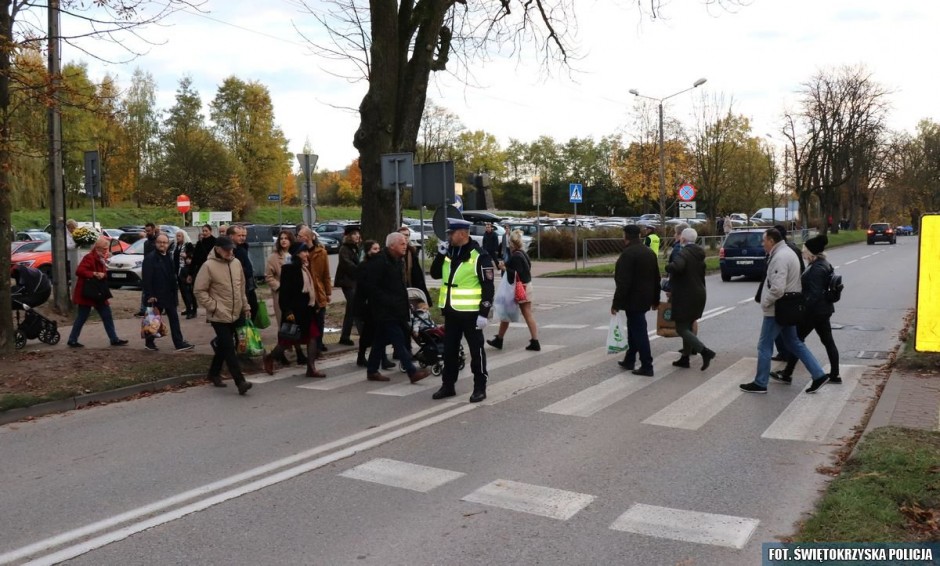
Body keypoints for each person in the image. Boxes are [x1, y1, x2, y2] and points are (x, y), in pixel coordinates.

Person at [739, 228, 829, 395]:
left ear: (772, 241)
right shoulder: (787, 252)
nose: (762, 243)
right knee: (794, 342)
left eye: (764, 240)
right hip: (789, 306)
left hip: (777, 308)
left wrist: (765, 302)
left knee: (764, 346)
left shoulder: (779, 257)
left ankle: (760, 383)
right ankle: (818, 374)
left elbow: (778, 288)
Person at [429, 218, 496, 403]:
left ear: (462, 234)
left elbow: (488, 287)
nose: (449, 237)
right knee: (449, 352)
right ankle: (448, 385)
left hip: (472, 315)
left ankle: (480, 387)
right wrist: (440, 255)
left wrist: (484, 313)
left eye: (451, 233)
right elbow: (435, 273)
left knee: (476, 352)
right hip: (451, 312)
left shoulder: (479, 256)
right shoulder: (449, 252)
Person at [357, 232, 431, 383]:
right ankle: (412, 371)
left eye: (405, 243)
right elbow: (372, 287)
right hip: (384, 310)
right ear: (392, 245)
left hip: (396, 308)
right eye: (402, 243)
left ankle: (372, 370)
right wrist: (388, 301)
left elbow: (399, 286)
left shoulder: (397, 260)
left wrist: (406, 303)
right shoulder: (379, 262)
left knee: (379, 340)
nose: (405, 246)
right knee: (398, 339)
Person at [771, 235, 841, 384]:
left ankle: (787, 373)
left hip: (813, 313)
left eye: (805, 251)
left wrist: (802, 309)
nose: (803, 253)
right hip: (824, 310)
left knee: (797, 341)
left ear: (811, 253)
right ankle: (835, 374)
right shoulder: (824, 264)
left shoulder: (816, 269)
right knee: (827, 342)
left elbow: (814, 295)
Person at [193, 235, 253, 395]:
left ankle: (213, 373)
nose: (229, 251)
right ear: (218, 249)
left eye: (231, 248)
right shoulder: (208, 266)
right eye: (226, 249)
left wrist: (245, 306)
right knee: (228, 347)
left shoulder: (236, 263)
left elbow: (241, 287)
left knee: (228, 345)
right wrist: (214, 306)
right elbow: (199, 290)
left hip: (237, 311)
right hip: (219, 314)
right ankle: (240, 382)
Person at [262, 242, 326, 378]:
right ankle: (270, 357)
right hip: (294, 311)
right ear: (297, 253)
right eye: (304, 252)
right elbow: (285, 293)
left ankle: (311, 368)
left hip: (306, 310)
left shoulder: (305, 268)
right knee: (287, 341)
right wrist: (287, 311)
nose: (307, 255)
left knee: (313, 337)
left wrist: (314, 305)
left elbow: (309, 289)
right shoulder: (289, 269)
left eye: (307, 252)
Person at [610, 225, 660, 376]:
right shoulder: (649, 252)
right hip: (645, 298)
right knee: (633, 329)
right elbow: (656, 277)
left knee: (639, 332)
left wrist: (616, 303)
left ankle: (647, 365)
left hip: (633, 299)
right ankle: (629, 359)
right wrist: (655, 299)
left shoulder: (628, 254)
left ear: (626, 236)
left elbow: (623, 282)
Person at [665, 228, 715, 370]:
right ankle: (685, 358)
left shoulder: (684, 253)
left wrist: (669, 267)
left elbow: (677, 266)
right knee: (687, 326)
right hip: (699, 294)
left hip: (686, 295)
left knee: (681, 328)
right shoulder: (698, 253)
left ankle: (705, 351)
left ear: (682, 239)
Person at [67, 236, 129, 348]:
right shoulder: (89, 257)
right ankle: (72, 339)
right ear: (98, 248)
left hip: (97, 292)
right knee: (82, 317)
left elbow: (103, 273)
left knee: (107, 315)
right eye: (105, 249)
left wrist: (102, 274)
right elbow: (79, 271)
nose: (107, 251)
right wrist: (94, 274)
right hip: (88, 293)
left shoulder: (100, 258)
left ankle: (114, 339)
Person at [486, 229, 539, 351]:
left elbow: (516, 273)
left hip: (520, 289)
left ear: (513, 244)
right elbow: (525, 269)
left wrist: (504, 267)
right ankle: (500, 339)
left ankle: (535, 341)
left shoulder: (516, 256)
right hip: (527, 286)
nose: (509, 246)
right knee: (510, 313)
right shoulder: (523, 254)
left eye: (510, 244)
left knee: (513, 313)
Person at [142, 233, 194, 352]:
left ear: (168, 244)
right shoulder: (150, 258)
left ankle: (179, 343)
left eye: (165, 243)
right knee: (153, 319)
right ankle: (149, 343)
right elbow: (147, 278)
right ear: (156, 243)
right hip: (156, 295)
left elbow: (172, 276)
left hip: (169, 294)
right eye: (160, 242)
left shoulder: (168, 256)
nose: (162, 245)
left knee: (174, 318)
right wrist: (150, 295)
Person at [353, 240, 394, 369]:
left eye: (378, 249)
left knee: (378, 331)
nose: (378, 252)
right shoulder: (363, 266)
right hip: (366, 304)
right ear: (368, 251)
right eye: (375, 249)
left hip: (377, 303)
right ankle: (363, 356)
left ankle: (381, 358)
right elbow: (363, 286)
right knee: (370, 331)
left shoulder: (380, 264)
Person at [265, 229, 302, 365]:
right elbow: (268, 276)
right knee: (285, 325)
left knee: (296, 324)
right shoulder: (273, 257)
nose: (284, 240)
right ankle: (280, 353)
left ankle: (298, 352)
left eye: (286, 238)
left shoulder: (296, 254)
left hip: (296, 296)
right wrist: (279, 286)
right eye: (281, 238)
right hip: (281, 295)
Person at [306, 228, 333, 354]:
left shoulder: (321, 252)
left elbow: (326, 275)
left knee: (319, 320)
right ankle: (313, 347)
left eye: (303, 235)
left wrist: (328, 293)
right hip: (305, 292)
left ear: (311, 237)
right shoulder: (299, 252)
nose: (300, 238)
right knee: (309, 322)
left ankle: (318, 345)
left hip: (319, 291)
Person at [334, 225, 361, 346]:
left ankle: (347, 336)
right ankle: (346, 336)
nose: (357, 236)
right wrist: (361, 269)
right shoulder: (344, 248)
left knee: (353, 309)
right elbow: (347, 264)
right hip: (348, 282)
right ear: (349, 236)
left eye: (358, 234)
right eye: (354, 234)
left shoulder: (355, 248)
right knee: (353, 308)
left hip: (354, 281)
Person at [227, 225, 259, 319]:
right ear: (231, 236)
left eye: (244, 235)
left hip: (248, 283)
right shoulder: (231, 250)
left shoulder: (243, 247)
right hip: (238, 284)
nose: (242, 238)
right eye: (239, 235)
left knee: (253, 307)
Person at [397, 224, 433, 307]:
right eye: (403, 235)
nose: (406, 237)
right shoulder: (392, 253)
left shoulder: (411, 253)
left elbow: (417, 276)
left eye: (408, 235)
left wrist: (425, 299)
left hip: (409, 289)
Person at [172, 231, 196, 318]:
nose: (178, 237)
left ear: (183, 236)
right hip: (178, 271)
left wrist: (187, 256)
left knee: (188, 291)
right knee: (182, 291)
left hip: (186, 270)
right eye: (177, 236)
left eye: (179, 236)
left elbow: (193, 256)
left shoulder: (188, 245)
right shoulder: (176, 246)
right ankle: (188, 308)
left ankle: (192, 310)